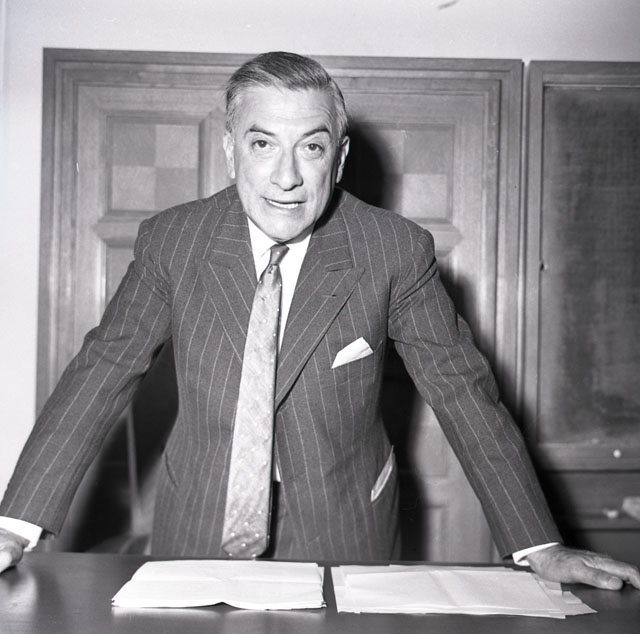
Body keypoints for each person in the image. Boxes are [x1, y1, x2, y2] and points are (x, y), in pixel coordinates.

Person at [0, 52, 638, 590]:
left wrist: (538, 544)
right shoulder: (173, 241)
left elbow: (462, 392)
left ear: (339, 156)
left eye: (311, 146)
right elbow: (101, 372)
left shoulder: (393, 250)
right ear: (230, 151)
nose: (286, 177)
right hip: (196, 525)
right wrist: (14, 525)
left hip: (346, 530)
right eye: (262, 144)